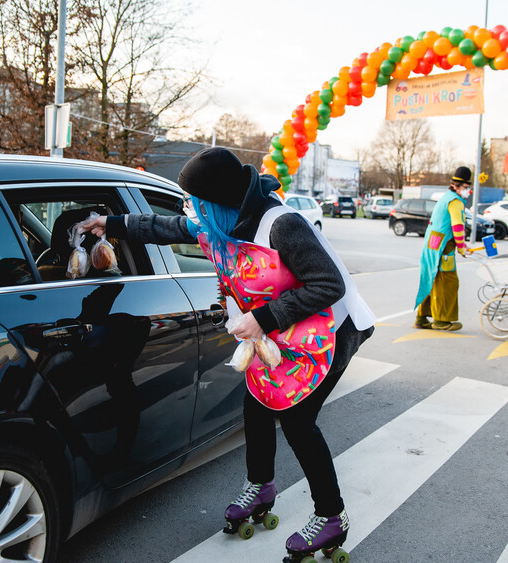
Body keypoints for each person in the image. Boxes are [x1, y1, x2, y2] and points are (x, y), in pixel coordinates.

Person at [87, 147, 375, 560]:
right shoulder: (221, 222)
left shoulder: (282, 225)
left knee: (296, 420)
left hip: (331, 330)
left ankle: (331, 516)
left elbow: (329, 285)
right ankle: (261, 487)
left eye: (197, 204)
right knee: (256, 404)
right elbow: (170, 226)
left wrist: (263, 318)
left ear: (219, 202)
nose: (193, 213)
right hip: (284, 331)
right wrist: (110, 223)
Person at [413, 166, 473, 331]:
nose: (469, 191)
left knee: (429, 280)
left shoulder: (445, 197)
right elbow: (458, 226)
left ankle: (422, 318)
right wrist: (462, 248)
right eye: (467, 187)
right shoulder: (455, 202)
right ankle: (442, 320)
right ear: (456, 186)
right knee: (447, 283)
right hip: (444, 249)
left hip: (431, 246)